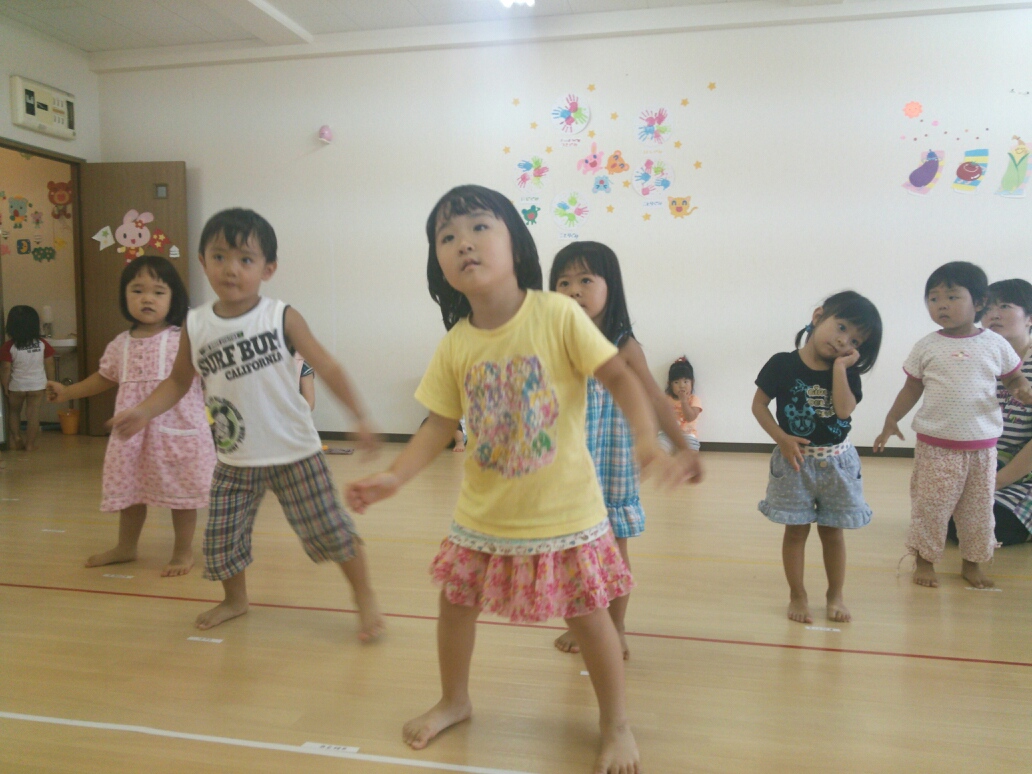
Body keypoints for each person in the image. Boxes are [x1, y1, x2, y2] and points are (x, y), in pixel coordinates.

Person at [346, 185, 687, 773]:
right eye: (447, 237)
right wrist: (394, 478)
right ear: (438, 263)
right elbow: (438, 425)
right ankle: (455, 700)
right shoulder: (456, 344)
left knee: (590, 619)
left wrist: (643, 438)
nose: (464, 243)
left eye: (480, 227)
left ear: (517, 246)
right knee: (455, 606)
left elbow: (619, 376)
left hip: (565, 513)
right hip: (483, 514)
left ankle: (616, 724)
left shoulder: (556, 314)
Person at [109, 208, 384, 639]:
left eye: (245, 259)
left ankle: (364, 596)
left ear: (267, 269)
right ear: (203, 262)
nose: (231, 269)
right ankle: (235, 599)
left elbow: (327, 365)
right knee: (222, 541)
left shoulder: (281, 316)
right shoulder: (196, 324)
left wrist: (360, 415)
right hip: (234, 458)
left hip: (295, 453)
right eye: (219, 257)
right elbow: (179, 381)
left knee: (331, 530)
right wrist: (144, 411)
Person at [549, 240, 703, 658]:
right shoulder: (554, 339)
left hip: (613, 457)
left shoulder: (622, 343)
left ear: (610, 287)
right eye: (563, 282)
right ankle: (584, 624)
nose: (574, 290)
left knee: (613, 547)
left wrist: (684, 447)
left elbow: (656, 398)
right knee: (571, 551)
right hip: (570, 460)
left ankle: (615, 626)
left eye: (585, 280)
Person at [47, 256, 215, 576]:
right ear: (125, 297)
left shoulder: (184, 339)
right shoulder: (120, 345)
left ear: (174, 298)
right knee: (132, 493)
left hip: (177, 431)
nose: (147, 298)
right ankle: (126, 546)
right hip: (134, 435)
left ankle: (182, 552)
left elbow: (210, 376)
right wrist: (67, 392)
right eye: (137, 290)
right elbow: (103, 378)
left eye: (158, 292)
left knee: (182, 496)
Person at [875, 262, 1032, 588]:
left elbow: (1014, 378)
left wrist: (1021, 389)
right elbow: (911, 388)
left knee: (977, 511)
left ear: (978, 303)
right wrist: (891, 419)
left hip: (983, 450)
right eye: (933, 299)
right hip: (936, 447)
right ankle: (924, 561)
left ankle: (973, 564)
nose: (941, 305)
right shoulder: (927, 345)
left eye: (951, 297)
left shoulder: (995, 344)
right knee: (931, 506)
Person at [753, 291, 882, 623]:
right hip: (794, 462)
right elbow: (759, 405)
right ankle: (797, 595)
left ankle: (835, 595)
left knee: (833, 533)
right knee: (795, 532)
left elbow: (844, 410)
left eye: (854, 340)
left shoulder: (846, 371)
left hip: (838, 464)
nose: (843, 341)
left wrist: (840, 368)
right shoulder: (782, 364)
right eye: (841, 327)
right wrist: (780, 438)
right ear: (818, 316)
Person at [947, 279, 1032, 546]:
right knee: (944, 519)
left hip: (1023, 471)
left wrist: (995, 483)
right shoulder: (978, 360)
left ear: (1029, 318)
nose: (993, 314)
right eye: (987, 308)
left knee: (986, 525)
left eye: (1004, 306)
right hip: (985, 462)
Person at [1, 305, 55, 452]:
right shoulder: (42, 344)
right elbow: (50, 364)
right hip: (37, 386)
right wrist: (51, 383)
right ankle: (30, 445)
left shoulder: (8, 346)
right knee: (33, 416)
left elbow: (5, 368)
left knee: (14, 412)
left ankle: (17, 437)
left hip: (17, 386)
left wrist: (5, 386)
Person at [660, 356, 702, 452]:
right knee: (659, 449)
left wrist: (683, 401)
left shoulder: (694, 399)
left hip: (688, 435)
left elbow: (690, 418)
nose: (681, 386)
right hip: (667, 434)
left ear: (692, 382)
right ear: (669, 384)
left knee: (691, 454)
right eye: (676, 382)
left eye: (686, 381)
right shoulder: (666, 399)